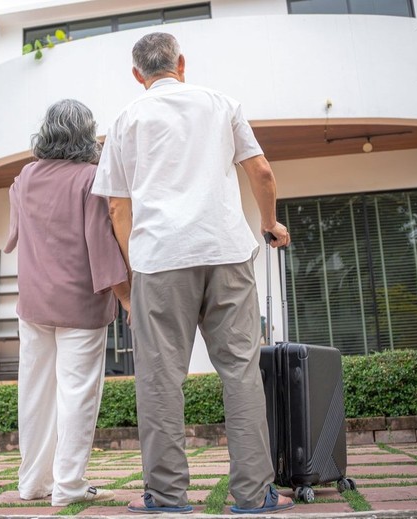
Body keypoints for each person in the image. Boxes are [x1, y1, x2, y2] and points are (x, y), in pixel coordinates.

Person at [91, 33, 294, 514]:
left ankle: (166, 497)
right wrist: (269, 224)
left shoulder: (125, 119)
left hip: (160, 259)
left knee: (160, 380)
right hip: (226, 251)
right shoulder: (222, 103)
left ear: (137, 74)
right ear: (182, 63)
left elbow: (118, 207)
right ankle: (254, 495)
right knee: (241, 371)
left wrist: (137, 268)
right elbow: (261, 172)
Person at [4, 99, 131, 507]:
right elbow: (101, 244)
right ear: (85, 135)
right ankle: (69, 485)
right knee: (77, 394)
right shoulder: (91, 178)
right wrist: (127, 297)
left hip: (34, 304)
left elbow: (13, 235)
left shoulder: (24, 176)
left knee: (34, 393)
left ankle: (32, 483)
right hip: (81, 305)